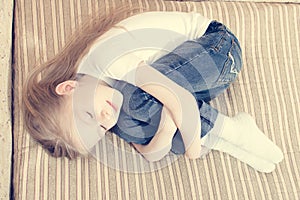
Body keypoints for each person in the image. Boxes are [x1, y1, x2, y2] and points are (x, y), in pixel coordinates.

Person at [23, 10, 283, 173]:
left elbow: (180, 100)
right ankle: (225, 142)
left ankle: (234, 131)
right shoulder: (106, 101)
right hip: (197, 85)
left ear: (69, 88)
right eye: (99, 132)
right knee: (131, 117)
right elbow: (151, 154)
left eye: (89, 116)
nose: (104, 119)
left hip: (217, 51)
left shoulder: (107, 60)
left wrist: (192, 150)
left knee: (137, 104)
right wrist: (166, 128)